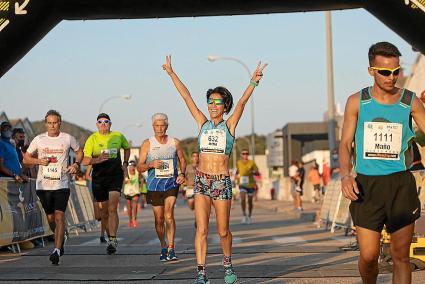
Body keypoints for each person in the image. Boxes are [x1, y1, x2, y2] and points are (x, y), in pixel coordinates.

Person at [162, 55, 267, 284]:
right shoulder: (201, 122)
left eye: (217, 102)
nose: (212, 105)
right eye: (210, 101)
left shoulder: (230, 126)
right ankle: (201, 273)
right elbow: (186, 96)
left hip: (221, 182)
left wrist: (253, 82)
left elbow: (241, 103)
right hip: (202, 182)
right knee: (201, 229)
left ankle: (227, 264)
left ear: (224, 106)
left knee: (222, 231)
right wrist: (171, 73)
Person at [339, 42, 425, 284]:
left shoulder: (409, 101)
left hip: (400, 184)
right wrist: (346, 175)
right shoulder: (357, 102)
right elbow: (345, 143)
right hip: (366, 186)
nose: (392, 77)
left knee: (401, 257)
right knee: (368, 256)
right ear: (371, 71)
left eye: (396, 71)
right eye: (385, 72)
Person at [23, 110, 83, 265]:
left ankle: (56, 250)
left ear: (59, 123)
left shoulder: (67, 138)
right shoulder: (39, 139)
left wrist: (76, 164)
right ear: (45, 124)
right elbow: (26, 159)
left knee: (59, 216)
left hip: (62, 184)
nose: (52, 125)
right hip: (43, 185)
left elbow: (79, 152)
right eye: (49, 123)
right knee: (51, 219)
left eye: (55, 122)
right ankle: (60, 237)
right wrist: (39, 162)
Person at [137, 113, 186, 262]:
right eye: (157, 126)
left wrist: (182, 173)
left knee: (169, 215)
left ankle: (171, 247)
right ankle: (163, 245)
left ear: (167, 126)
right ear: (153, 127)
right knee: (159, 219)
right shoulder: (147, 144)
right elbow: (139, 167)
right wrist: (151, 164)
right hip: (154, 185)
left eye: (162, 125)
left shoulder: (175, 142)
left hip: (171, 183)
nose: (160, 128)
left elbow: (183, 160)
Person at [82, 113, 130, 255]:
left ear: (110, 123)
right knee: (103, 213)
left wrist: (125, 163)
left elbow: (126, 148)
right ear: (97, 124)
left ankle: (113, 239)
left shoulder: (118, 136)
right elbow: (85, 161)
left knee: (112, 208)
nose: (103, 124)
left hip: (115, 176)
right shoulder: (92, 139)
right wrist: (97, 160)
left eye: (106, 121)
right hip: (99, 177)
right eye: (100, 122)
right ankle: (110, 236)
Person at [85, 165, 108, 243]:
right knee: (98, 216)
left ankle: (103, 235)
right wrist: (96, 181)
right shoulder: (92, 162)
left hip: (105, 189)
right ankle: (106, 234)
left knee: (105, 214)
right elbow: (87, 176)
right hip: (95, 190)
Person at [236, 149, 259, 224]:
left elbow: (257, 172)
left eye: (246, 154)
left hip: (250, 184)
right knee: (242, 198)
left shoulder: (252, 162)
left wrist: (252, 171)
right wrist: (236, 176)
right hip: (242, 184)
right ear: (241, 155)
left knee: (250, 201)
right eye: (243, 153)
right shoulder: (238, 163)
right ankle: (244, 215)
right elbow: (237, 171)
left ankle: (249, 216)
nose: (245, 155)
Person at [123, 161, 141, 228]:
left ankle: (135, 219)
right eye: (130, 165)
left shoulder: (137, 172)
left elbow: (141, 179)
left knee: (135, 205)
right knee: (129, 207)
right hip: (127, 191)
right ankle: (130, 220)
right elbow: (123, 181)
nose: (132, 167)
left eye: (133, 165)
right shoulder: (126, 172)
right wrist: (126, 181)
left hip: (135, 191)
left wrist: (141, 187)